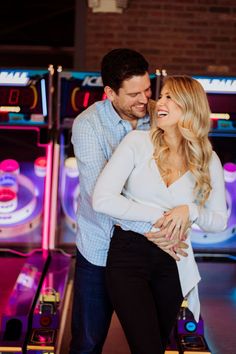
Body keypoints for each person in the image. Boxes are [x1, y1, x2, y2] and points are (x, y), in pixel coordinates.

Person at [93, 75, 228, 354]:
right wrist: (159, 215)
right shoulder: (137, 142)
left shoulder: (207, 158)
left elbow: (218, 221)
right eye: (162, 95)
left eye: (169, 97)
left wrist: (189, 210)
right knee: (147, 348)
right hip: (129, 255)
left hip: (174, 260)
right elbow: (102, 199)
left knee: (156, 346)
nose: (159, 102)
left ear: (190, 107)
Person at [70, 49, 185, 354]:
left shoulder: (158, 118)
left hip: (148, 251)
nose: (144, 99)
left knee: (152, 342)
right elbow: (100, 197)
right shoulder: (88, 125)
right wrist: (159, 226)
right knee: (88, 342)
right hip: (100, 248)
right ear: (110, 93)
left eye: (147, 89)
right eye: (133, 93)